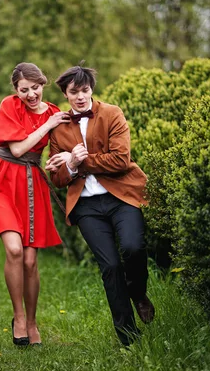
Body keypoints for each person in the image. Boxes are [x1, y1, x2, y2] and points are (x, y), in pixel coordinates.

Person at [45, 64, 155, 346]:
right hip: (86, 207)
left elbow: (120, 160)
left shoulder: (112, 113)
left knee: (133, 247)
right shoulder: (58, 128)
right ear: (65, 94)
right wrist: (69, 164)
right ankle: (129, 338)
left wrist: (79, 160)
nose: (80, 97)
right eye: (74, 92)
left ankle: (138, 291)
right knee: (110, 267)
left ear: (91, 89)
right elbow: (56, 178)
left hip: (121, 196)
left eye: (85, 90)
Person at [0, 62, 71, 346]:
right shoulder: (9, 106)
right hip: (4, 181)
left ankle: (32, 323)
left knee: (31, 262)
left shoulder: (56, 112)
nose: (31, 94)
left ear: (42, 84)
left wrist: (66, 159)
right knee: (15, 249)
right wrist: (47, 124)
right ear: (16, 90)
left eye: (35, 88)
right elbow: (18, 149)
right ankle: (18, 317)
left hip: (33, 184)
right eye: (24, 90)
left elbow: (66, 144)